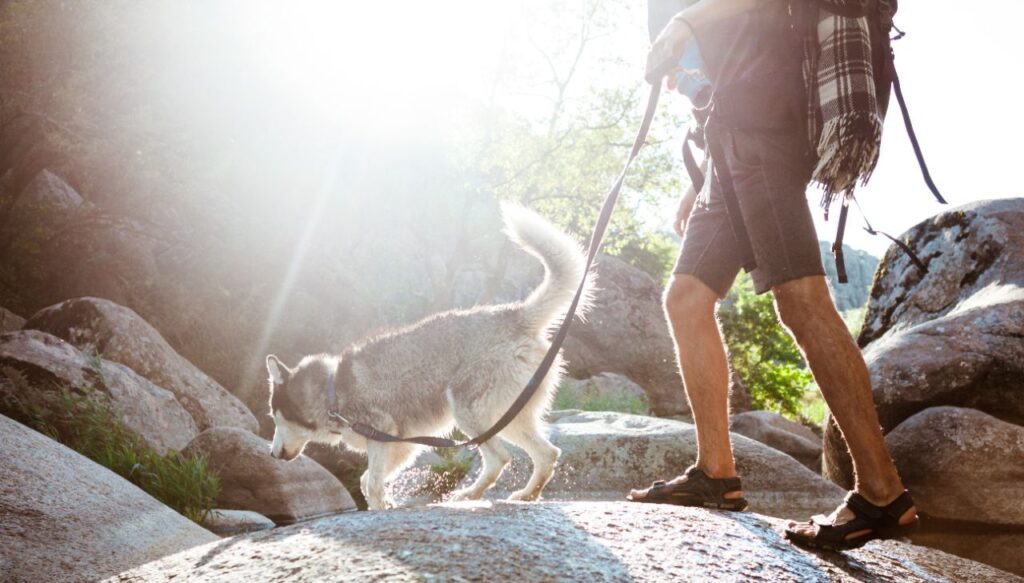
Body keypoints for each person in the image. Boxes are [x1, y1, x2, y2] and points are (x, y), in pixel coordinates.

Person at [627, 0, 920, 551]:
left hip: (764, 130)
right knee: (686, 300)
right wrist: (704, 178)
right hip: (730, 142)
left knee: (801, 302)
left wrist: (687, 21)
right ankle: (716, 473)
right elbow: (714, 73)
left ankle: (882, 492)